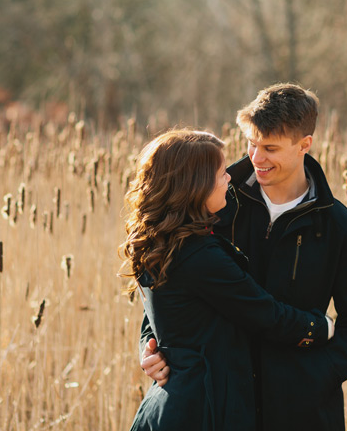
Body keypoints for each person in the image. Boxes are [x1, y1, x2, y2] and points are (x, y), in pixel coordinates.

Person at [141, 84, 347, 430]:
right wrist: (148, 346)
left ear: (304, 145)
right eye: (251, 143)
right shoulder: (211, 199)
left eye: (270, 148)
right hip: (218, 405)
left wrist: (317, 377)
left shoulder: (339, 227)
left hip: (301, 411)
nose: (256, 158)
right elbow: (168, 280)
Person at [120, 129, 333, 431]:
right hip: (201, 410)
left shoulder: (161, 241)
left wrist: (150, 344)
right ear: (195, 185)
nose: (230, 178)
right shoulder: (198, 254)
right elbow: (264, 313)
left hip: (171, 406)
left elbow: (166, 308)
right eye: (221, 174)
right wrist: (322, 327)